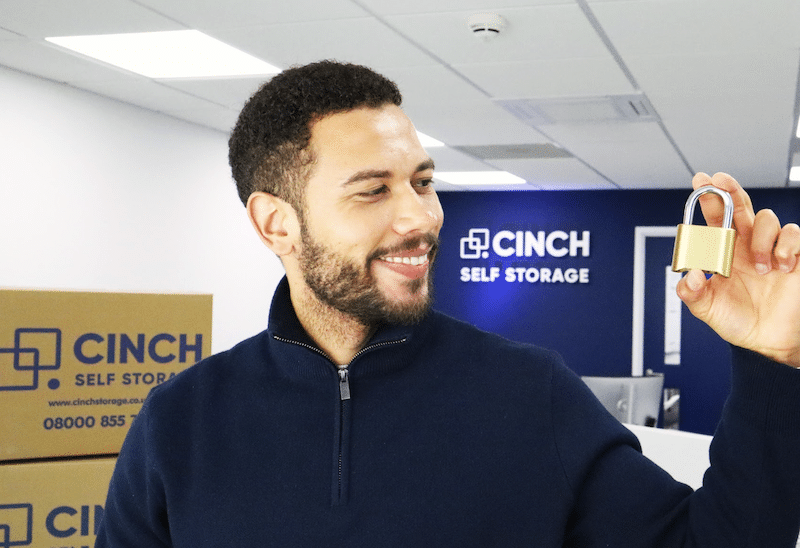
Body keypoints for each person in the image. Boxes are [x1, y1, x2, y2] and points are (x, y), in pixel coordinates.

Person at [95, 60, 800, 547]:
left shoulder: (530, 394)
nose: (421, 217)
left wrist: (774, 361)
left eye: (423, 181)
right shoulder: (179, 423)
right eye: (374, 190)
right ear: (276, 224)